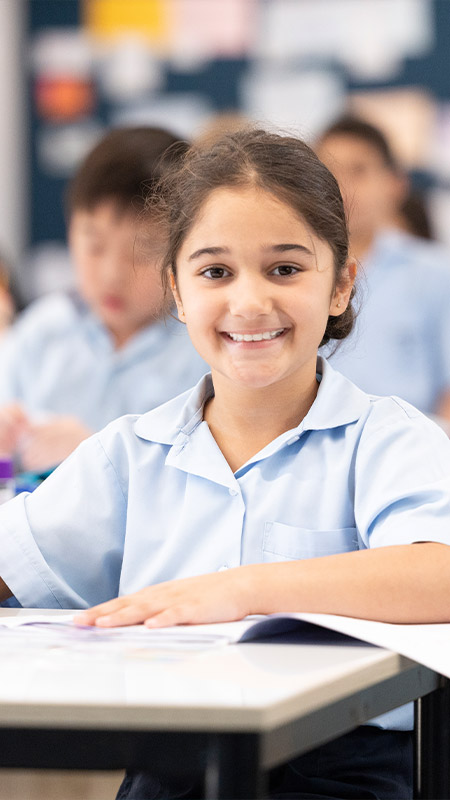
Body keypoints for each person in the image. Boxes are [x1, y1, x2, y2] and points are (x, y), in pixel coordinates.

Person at [1, 129, 450, 799]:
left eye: (285, 269)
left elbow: (437, 572)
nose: (249, 302)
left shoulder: (385, 440)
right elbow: (16, 561)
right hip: (172, 764)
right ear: (177, 291)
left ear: (341, 283)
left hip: (345, 767)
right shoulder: (131, 453)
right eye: (215, 271)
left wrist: (239, 590)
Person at [0, 127, 207, 473]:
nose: (112, 274)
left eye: (142, 253)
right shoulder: (41, 331)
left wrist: (95, 452)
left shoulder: (202, 349)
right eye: (94, 246)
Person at [315, 115, 450, 425]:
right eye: (329, 171)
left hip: (412, 453)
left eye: (358, 171)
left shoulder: (436, 274)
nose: (342, 186)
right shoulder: (295, 274)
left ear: (395, 184)